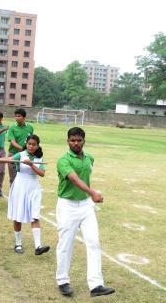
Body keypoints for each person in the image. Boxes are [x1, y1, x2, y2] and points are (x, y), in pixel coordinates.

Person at [55, 127, 115, 298]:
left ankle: (96, 285)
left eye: (79, 140)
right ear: (67, 141)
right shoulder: (63, 160)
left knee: (94, 242)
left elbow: (85, 174)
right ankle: (62, 281)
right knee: (66, 244)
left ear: (84, 141)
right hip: (67, 206)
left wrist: (89, 196)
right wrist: (93, 193)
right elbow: (74, 178)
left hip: (86, 206)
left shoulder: (90, 158)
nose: (75, 143)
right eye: (72, 140)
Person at [0, 134, 50, 255]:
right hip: (20, 186)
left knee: (35, 215)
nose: (31, 146)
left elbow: (42, 173)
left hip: (33, 188)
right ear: (26, 144)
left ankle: (38, 246)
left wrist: (31, 164)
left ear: (38, 146)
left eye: (34, 145)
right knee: (18, 216)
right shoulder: (21, 154)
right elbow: (8, 160)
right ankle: (18, 244)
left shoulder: (39, 158)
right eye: (29, 144)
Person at [7, 108, 33, 184]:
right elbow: (13, 142)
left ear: (24, 117)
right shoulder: (12, 128)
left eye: (19, 116)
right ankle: (13, 195)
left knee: (24, 177)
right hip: (13, 154)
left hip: (25, 156)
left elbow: (31, 141)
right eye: (16, 116)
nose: (17, 118)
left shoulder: (30, 128)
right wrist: (23, 149)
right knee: (13, 178)